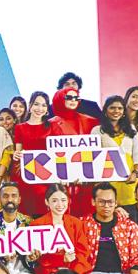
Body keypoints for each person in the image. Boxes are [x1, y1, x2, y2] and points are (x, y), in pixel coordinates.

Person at [31, 184, 94, 274]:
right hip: (49, 272)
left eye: (63, 200)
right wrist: (61, 259)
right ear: (47, 202)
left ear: (69, 201)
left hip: (73, 271)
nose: (60, 205)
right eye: (54, 201)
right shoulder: (37, 225)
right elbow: (39, 258)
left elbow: (83, 254)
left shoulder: (77, 223)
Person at [49, 87, 99, 217]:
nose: (73, 100)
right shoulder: (50, 124)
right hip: (61, 181)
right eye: (69, 97)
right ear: (60, 98)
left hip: (85, 181)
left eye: (76, 97)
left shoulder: (91, 121)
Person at [92, 95, 138, 206]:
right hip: (107, 180)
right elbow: (93, 156)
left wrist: (135, 173)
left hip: (129, 178)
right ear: (106, 110)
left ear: (124, 111)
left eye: (120, 108)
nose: (116, 111)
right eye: (112, 108)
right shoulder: (97, 130)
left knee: (130, 212)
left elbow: (137, 153)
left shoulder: (131, 128)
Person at [12, 91, 53, 217]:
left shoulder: (52, 126)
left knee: (44, 211)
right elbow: (18, 151)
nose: (40, 108)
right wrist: (16, 156)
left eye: (44, 105)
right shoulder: (20, 127)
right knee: (26, 212)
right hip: (26, 175)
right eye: (36, 104)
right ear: (30, 106)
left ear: (47, 109)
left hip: (47, 176)